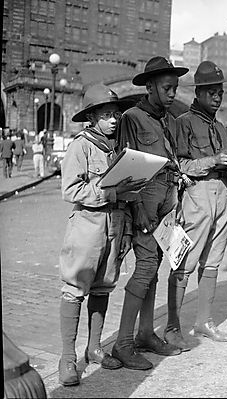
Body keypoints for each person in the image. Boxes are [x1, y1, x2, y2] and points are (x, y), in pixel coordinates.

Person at [58, 84, 147, 386]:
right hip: (87, 227)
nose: (113, 120)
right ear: (92, 117)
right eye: (107, 115)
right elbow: (70, 190)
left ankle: (94, 348)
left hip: (115, 226)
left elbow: (123, 192)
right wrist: (110, 191)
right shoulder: (81, 146)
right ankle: (68, 358)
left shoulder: (116, 149)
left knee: (102, 288)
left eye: (116, 115)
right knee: (75, 288)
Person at [111, 56, 189, 370]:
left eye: (175, 88)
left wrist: (175, 204)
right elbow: (125, 168)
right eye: (167, 88)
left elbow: (172, 164)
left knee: (154, 268)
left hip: (165, 206)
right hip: (144, 206)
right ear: (150, 86)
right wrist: (138, 209)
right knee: (145, 269)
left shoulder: (168, 120)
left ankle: (144, 333)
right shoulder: (132, 117)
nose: (172, 93)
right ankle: (123, 344)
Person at [164, 60, 227, 347]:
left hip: (223, 194)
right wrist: (212, 161)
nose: (217, 97)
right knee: (183, 262)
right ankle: (172, 327)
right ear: (198, 93)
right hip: (196, 196)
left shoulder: (221, 128)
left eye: (219, 92)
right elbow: (178, 164)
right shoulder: (182, 123)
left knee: (213, 263)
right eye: (211, 92)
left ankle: (203, 322)